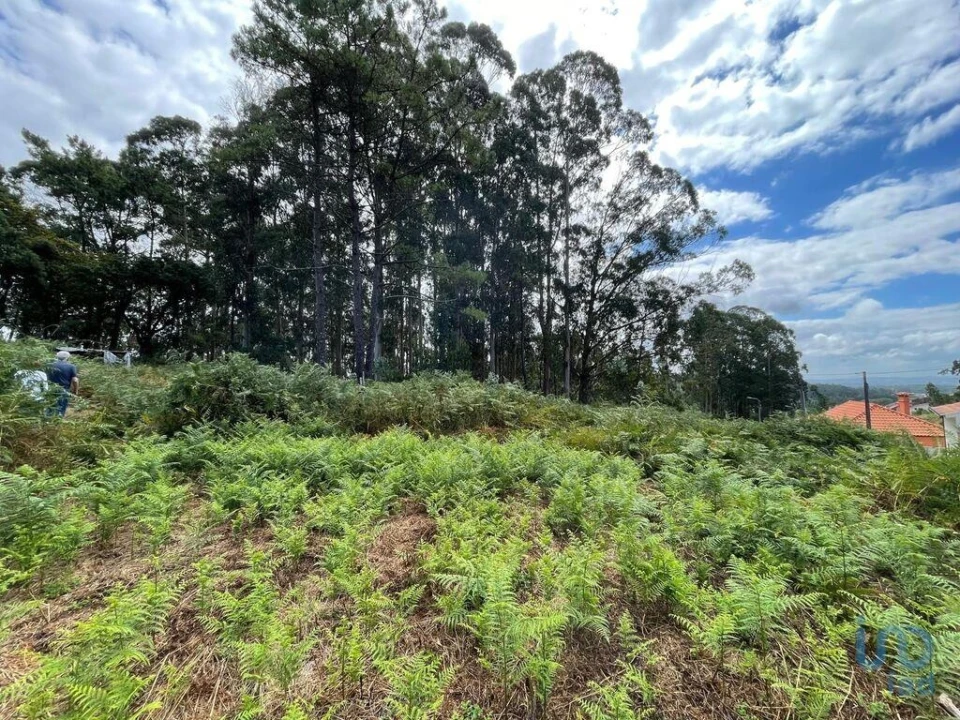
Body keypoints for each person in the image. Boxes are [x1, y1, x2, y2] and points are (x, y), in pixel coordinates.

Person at [46, 350, 79, 417]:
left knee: (50, 406)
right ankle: (57, 423)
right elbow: (75, 380)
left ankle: (47, 421)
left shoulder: (49, 365)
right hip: (63, 389)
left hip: (50, 388)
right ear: (67, 358)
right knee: (61, 406)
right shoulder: (71, 366)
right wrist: (75, 391)